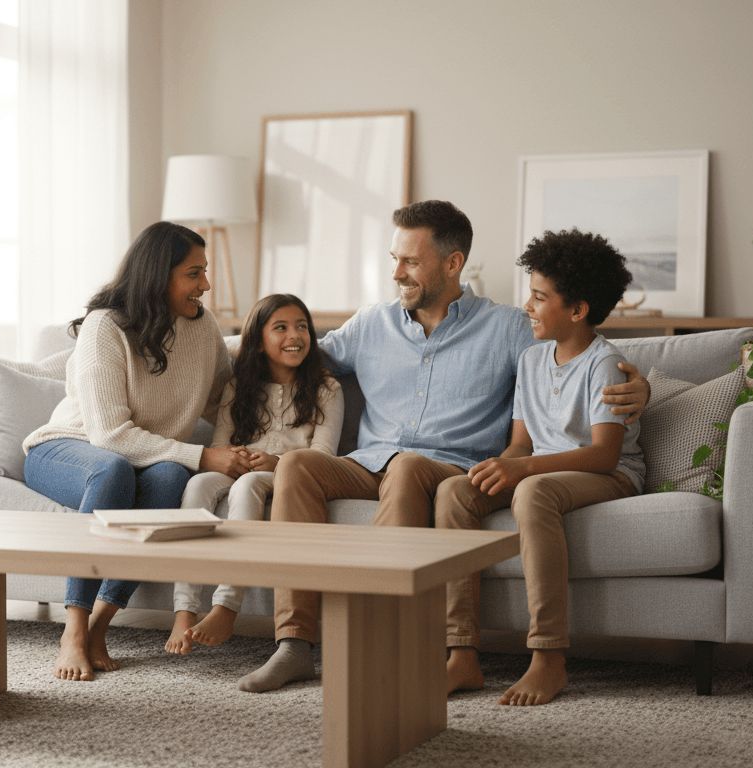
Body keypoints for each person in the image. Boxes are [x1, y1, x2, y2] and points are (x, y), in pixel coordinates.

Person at [238, 200, 650, 694]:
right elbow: (291, 354)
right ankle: (294, 645)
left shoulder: (510, 328)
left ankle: (383, 639)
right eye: (395, 259)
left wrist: (642, 388)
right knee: (300, 465)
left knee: (410, 465)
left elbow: (577, 352)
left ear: (452, 263)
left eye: (410, 261)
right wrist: (225, 351)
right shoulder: (371, 323)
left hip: (445, 467)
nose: (397, 273)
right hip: (370, 464)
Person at [22, 221, 247, 682]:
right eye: (194, 273)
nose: (205, 284)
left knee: (169, 477)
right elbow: (108, 437)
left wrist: (257, 440)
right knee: (112, 471)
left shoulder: (202, 328)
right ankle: (73, 628)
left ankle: (101, 626)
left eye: (204, 272)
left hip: (136, 458)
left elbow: (223, 399)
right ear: (158, 275)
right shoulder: (106, 326)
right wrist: (205, 457)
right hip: (67, 449)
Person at [466, 228, 644, 706]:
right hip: (544, 472)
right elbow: (521, 444)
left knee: (533, 491)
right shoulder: (530, 359)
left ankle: (548, 657)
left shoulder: (604, 364)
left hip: (609, 477)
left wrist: (523, 472)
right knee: (456, 493)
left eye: (539, 297)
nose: (527, 305)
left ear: (577, 310)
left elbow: (605, 454)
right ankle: (460, 651)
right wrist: (494, 468)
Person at [165, 294, 344, 655]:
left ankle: (227, 605)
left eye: (302, 327)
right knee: (198, 482)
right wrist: (238, 457)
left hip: (289, 475)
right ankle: (184, 609)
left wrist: (277, 463)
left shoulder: (327, 389)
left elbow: (324, 456)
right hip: (241, 466)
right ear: (259, 342)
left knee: (246, 485)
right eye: (280, 327)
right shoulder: (238, 387)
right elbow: (221, 444)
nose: (295, 335)